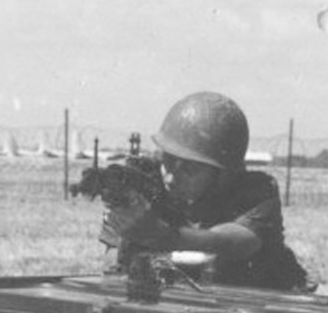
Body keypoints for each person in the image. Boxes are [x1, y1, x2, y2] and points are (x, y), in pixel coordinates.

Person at [98, 91, 309, 290]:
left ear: (222, 172)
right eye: (168, 162)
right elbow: (114, 264)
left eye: (189, 169)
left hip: (259, 305)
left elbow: (233, 241)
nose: (170, 177)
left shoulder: (256, 191)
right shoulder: (147, 183)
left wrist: (163, 236)